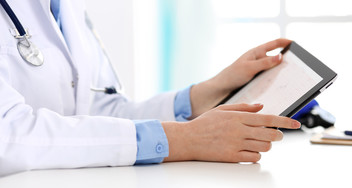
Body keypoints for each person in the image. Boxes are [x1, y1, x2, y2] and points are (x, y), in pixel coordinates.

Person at [0, 0, 300, 176]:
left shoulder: (67, 8)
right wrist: (182, 139)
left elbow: (97, 109)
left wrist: (208, 92)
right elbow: (8, 134)